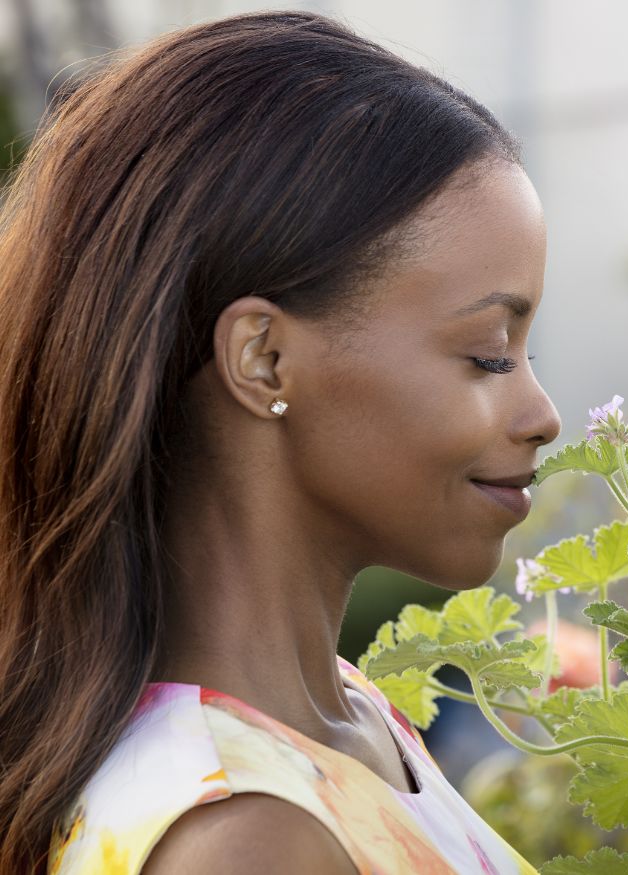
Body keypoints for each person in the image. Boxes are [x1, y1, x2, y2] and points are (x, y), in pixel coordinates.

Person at [0, 10, 561, 874]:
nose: (542, 413)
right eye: (489, 353)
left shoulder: (351, 719)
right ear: (263, 359)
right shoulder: (247, 834)